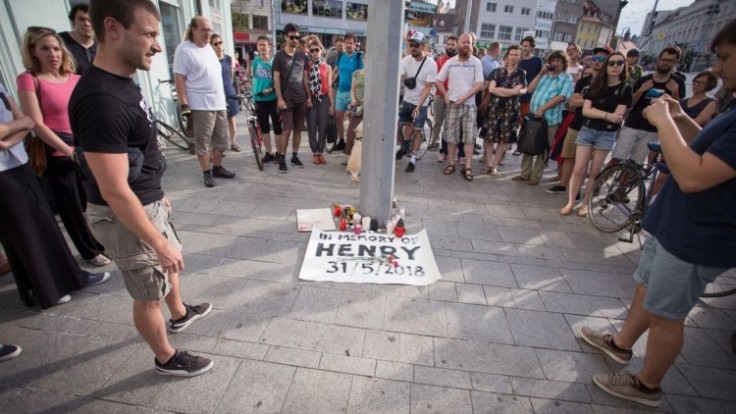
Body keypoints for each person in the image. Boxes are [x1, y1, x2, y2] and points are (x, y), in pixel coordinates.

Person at [578, 18, 736, 408]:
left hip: (697, 237)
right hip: (676, 226)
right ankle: (620, 344)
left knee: (667, 314)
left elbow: (694, 175)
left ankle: (647, 385)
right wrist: (680, 117)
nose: (715, 67)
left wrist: (663, 121)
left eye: (724, 57)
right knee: (646, 288)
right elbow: (706, 149)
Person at [70, 0, 213, 377]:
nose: (158, 45)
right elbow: (114, 190)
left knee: (168, 267)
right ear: (113, 29)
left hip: (146, 202)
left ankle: (179, 313)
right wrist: (157, 241)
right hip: (126, 217)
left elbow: (134, 151)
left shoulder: (122, 82)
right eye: (149, 34)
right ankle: (165, 357)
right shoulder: (101, 100)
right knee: (148, 293)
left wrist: (155, 193)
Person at [1, 76, 109, 309]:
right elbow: (25, 123)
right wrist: (17, 128)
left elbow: (27, 122)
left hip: (18, 162)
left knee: (43, 224)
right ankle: (46, 290)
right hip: (3, 172)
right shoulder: (27, 79)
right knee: (23, 232)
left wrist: (8, 140)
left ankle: (65, 280)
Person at [17, 26, 110, 267]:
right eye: (45, 49)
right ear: (33, 51)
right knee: (72, 208)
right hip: (58, 153)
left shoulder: (76, 78)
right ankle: (89, 251)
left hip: (86, 149)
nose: (53, 54)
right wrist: (68, 151)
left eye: (56, 48)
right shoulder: (29, 79)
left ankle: (103, 242)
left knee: (97, 200)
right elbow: (35, 123)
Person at [561, 52, 632, 217]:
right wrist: (607, 115)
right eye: (612, 63)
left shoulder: (625, 89)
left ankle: (585, 204)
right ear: (606, 66)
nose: (615, 66)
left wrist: (598, 112)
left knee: (594, 171)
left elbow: (618, 116)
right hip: (587, 129)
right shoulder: (596, 85)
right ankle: (571, 202)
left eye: (619, 63)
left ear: (624, 66)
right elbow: (586, 111)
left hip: (606, 133)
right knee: (579, 168)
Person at [174, 16, 236, 188]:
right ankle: (207, 172)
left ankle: (217, 167)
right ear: (193, 30)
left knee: (221, 140)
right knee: (203, 142)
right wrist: (184, 103)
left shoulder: (209, 48)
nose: (208, 33)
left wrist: (224, 99)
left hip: (219, 102)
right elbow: (179, 78)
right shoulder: (184, 49)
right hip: (200, 104)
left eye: (209, 30)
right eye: (204, 29)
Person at [547, 47, 610, 195]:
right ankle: (563, 184)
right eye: (595, 58)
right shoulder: (583, 81)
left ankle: (576, 191)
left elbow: (605, 105)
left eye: (602, 59)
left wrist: (585, 101)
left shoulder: (608, 84)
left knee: (583, 162)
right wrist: (592, 102)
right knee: (568, 156)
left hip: (594, 127)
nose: (597, 61)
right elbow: (571, 103)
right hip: (576, 123)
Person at [609, 46, 686, 167]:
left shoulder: (678, 82)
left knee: (634, 165)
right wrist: (641, 90)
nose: (665, 63)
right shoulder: (644, 80)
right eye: (664, 59)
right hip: (633, 124)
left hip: (653, 129)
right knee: (616, 158)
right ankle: (603, 179)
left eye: (670, 60)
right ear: (659, 59)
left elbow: (677, 109)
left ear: (675, 62)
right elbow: (630, 102)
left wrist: (675, 92)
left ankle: (623, 181)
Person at [513, 50, 574, 186]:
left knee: (544, 147)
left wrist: (543, 109)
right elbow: (530, 89)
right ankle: (525, 173)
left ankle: (535, 177)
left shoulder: (566, 78)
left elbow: (561, 97)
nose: (555, 63)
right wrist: (541, 73)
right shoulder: (544, 76)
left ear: (563, 63)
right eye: (553, 60)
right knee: (527, 144)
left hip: (550, 120)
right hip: (533, 117)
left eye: (558, 61)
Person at [435, 33, 484, 181]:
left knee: (469, 138)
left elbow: (479, 84)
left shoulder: (476, 62)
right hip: (453, 105)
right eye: (464, 42)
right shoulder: (450, 62)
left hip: (469, 106)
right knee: (451, 137)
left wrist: (465, 98)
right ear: (458, 44)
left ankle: (467, 167)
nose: (466, 45)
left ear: (472, 45)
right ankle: (451, 163)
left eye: (469, 42)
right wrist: (445, 95)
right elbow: (438, 80)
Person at [396, 31, 437, 173]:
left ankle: (413, 159)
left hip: (421, 103)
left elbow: (427, 87)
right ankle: (406, 144)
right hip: (407, 100)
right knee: (401, 124)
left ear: (422, 46)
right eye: (411, 44)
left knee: (417, 131)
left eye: (416, 45)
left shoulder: (431, 64)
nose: (413, 47)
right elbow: (399, 79)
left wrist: (418, 106)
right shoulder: (405, 61)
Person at [482, 45, 527, 176]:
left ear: (520, 57)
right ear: (507, 56)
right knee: (489, 138)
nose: (513, 57)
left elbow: (517, 91)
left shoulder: (521, 73)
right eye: (511, 54)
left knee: (503, 140)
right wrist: (510, 92)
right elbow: (491, 89)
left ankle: (494, 166)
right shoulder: (497, 72)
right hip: (494, 109)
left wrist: (501, 90)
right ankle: (488, 164)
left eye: (516, 55)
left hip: (510, 110)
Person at [273, 22, 310, 173]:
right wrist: (279, 98)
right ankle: (282, 158)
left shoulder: (302, 56)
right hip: (287, 99)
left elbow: (305, 78)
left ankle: (294, 156)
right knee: (287, 130)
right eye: (292, 37)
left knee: (298, 129)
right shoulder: (279, 56)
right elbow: (276, 79)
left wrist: (308, 96)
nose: (295, 40)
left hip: (301, 98)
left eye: (297, 37)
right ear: (285, 37)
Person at [329, 33, 363, 153]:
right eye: (347, 42)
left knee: (352, 119)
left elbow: (361, 75)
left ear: (354, 44)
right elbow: (336, 70)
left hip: (352, 94)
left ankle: (352, 143)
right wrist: (330, 81)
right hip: (340, 92)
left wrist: (357, 96)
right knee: (339, 117)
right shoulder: (341, 56)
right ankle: (342, 141)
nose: (348, 45)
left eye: (351, 43)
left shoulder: (358, 58)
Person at [249, 35, 280, 163]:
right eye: (260, 45)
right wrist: (248, 62)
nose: (262, 47)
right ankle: (269, 152)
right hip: (259, 100)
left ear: (269, 47)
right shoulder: (255, 62)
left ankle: (279, 153)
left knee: (277, 128)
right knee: (264, 128)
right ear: (257, 47)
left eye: (264, 45)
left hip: (273, 99)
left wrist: (271, 89)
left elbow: (279, 81)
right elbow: (250, 76)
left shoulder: (274, 62)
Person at [513, 36, 544, 156]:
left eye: (526, 46)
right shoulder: (518, 60)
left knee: (524, 121)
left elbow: (540, 77)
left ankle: (520, 145)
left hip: (529, 95)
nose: (524, 48)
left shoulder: (537, 60)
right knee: (513, 120)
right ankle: (509, 142)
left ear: (532, 47)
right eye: (522, 46)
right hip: (515, 94)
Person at [210, 33, 241, 152]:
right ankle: (218, 148)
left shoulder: (229, 59)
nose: (218, 45)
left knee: (231, 119)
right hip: (217, 93)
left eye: (220, 42)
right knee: (218, 122)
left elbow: (231, 77)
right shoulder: (211, 60)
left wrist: (234, 91)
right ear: (212, 46)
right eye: (215, 44)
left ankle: (233, 143)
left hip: (229, 91)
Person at [305, 41, 332, 165]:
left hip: (324, 98)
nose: (315, 52)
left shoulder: (327, 67)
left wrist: (332, 104)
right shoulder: (307, 66)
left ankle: (320, 152)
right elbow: (305, 83)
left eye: (317, 50)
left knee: (323, 126)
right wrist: (308, 98)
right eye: (312, 50)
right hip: (311, 98)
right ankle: (314, 153)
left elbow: (329, 86)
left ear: (321, 50)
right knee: (312, 126)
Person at [59, 3, 96, 75]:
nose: (87, 24)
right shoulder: (58, 41)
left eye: (91, 20)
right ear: (73, 21)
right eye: (81, 19)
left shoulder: (102, 47)